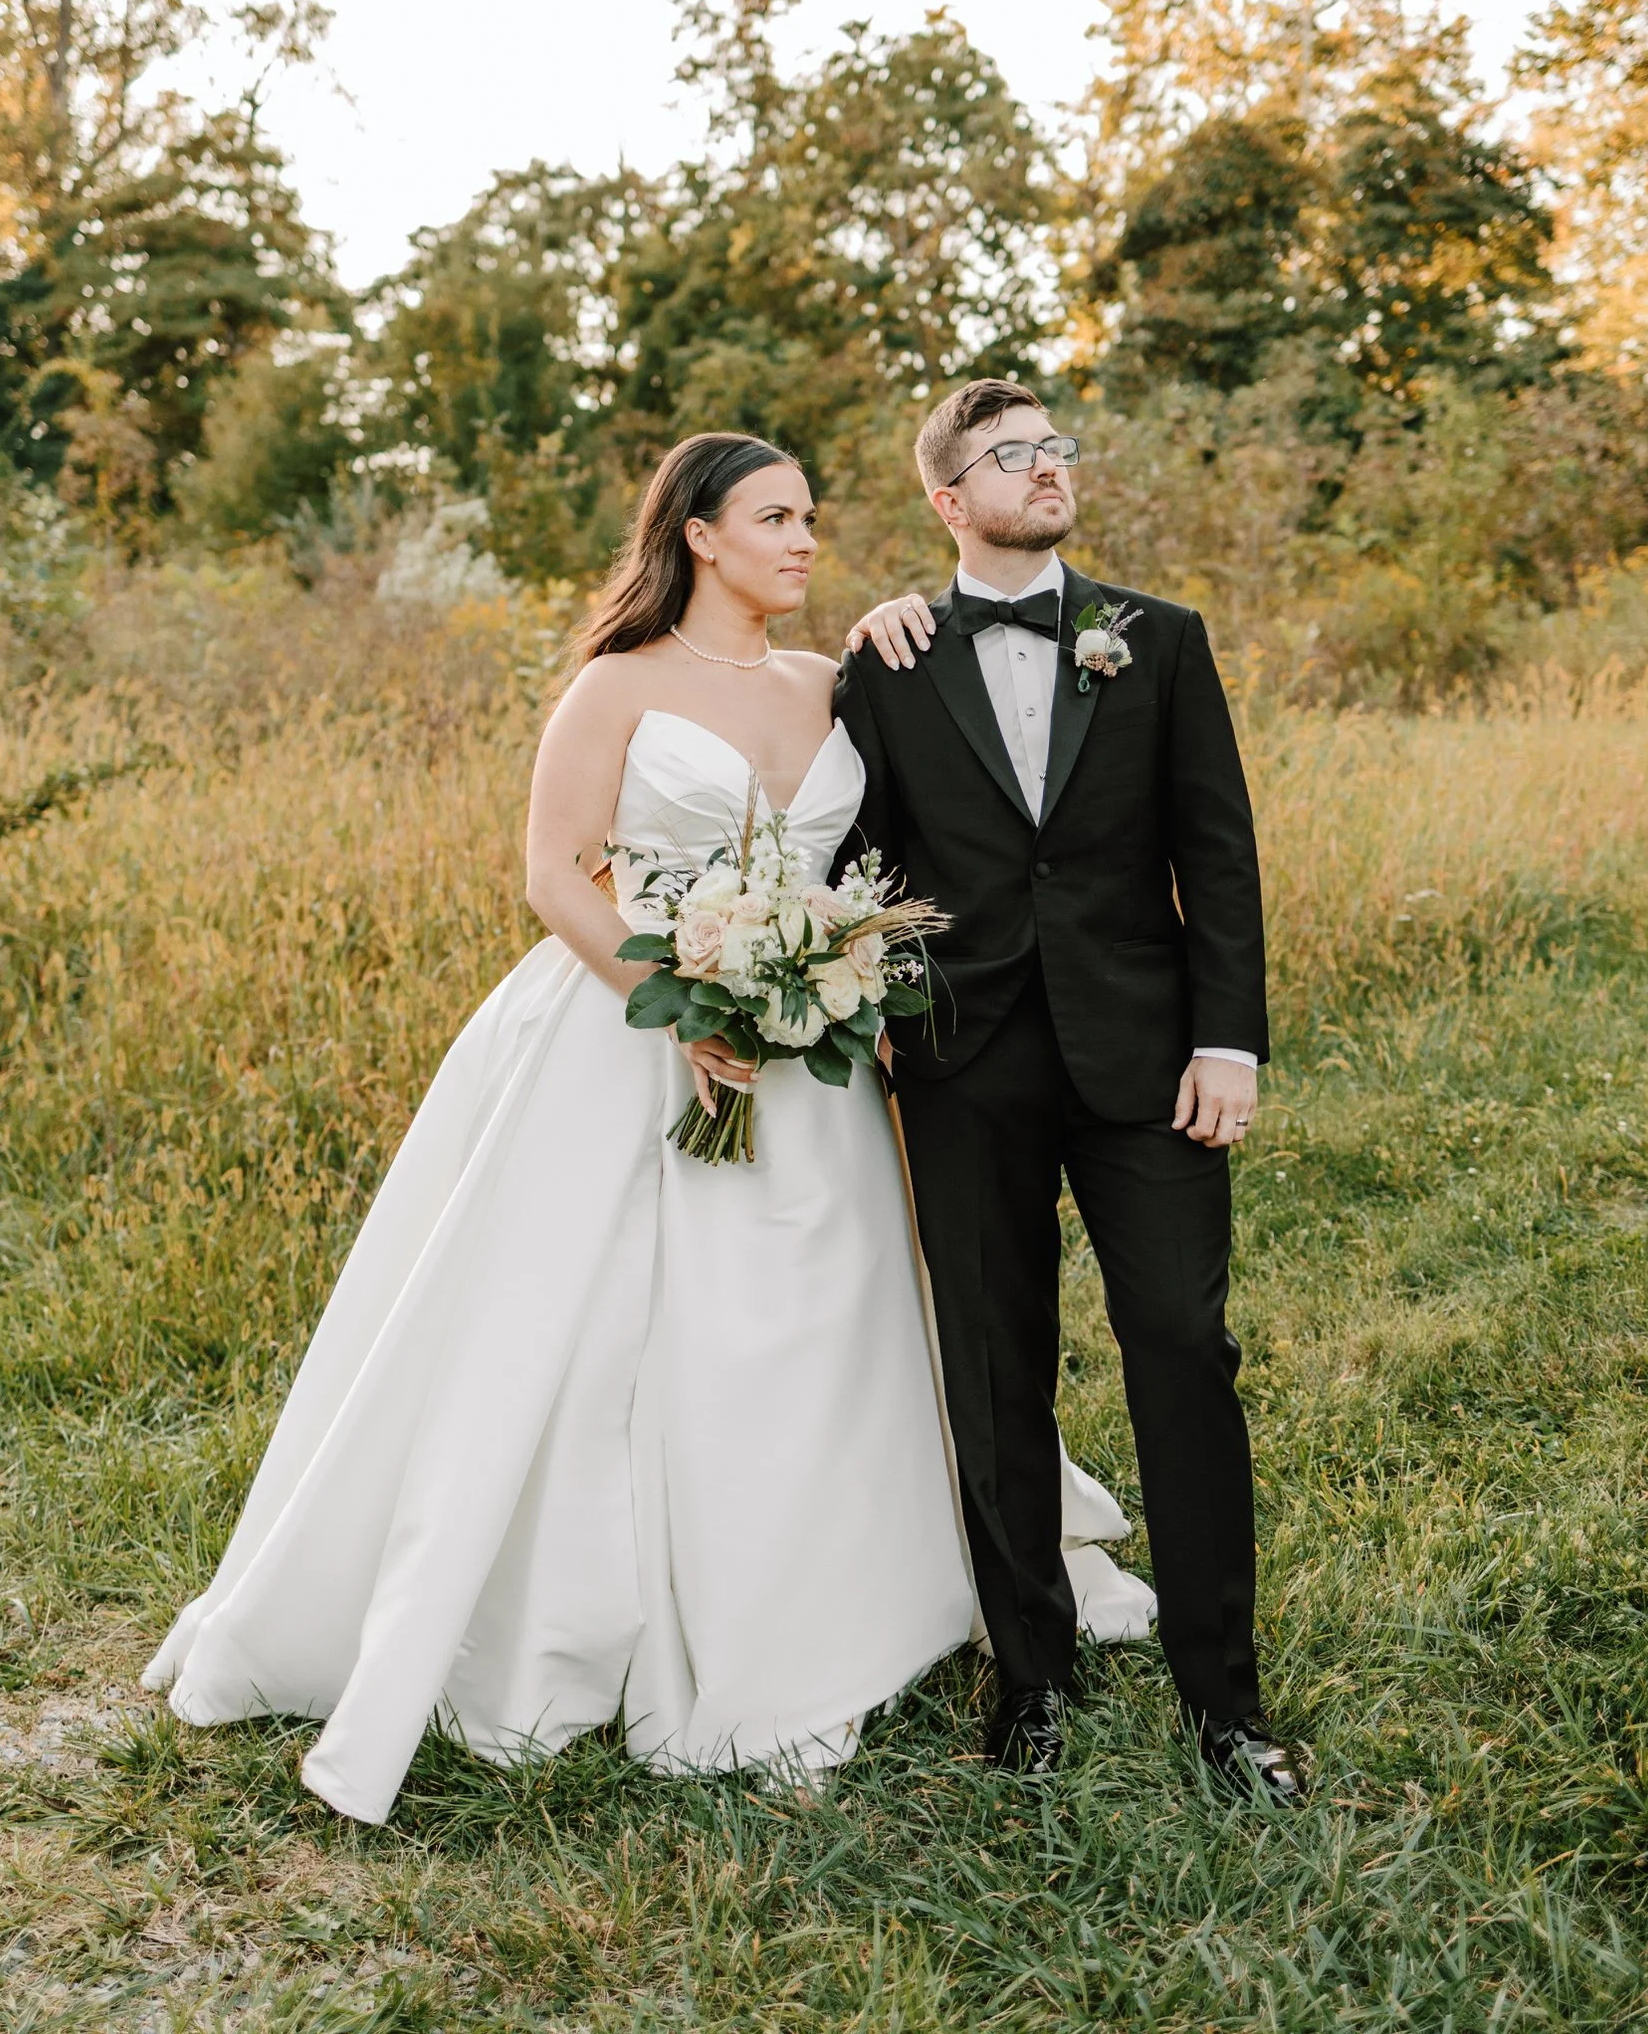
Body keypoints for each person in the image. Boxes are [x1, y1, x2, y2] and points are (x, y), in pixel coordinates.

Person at [144, 431, 1151, 1825]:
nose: (804, 541)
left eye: (812, 519)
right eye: (776, 519)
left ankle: (837, 1589)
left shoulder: (835, 679)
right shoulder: (612, 686)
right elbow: (554, 872)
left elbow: (884, 848)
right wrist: (685, 1009)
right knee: (590, 1325)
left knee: (831, 1310)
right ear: (699, 535)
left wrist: (810, 977)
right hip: (629, 1035)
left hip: (813, 1049)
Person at [838, 379, 1305, 1804]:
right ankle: (1028, 1685)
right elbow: (857, 864)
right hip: (965, 1061)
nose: (1048, 469)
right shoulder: (889, 662)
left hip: (1149, 1060)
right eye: (1013, 455)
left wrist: (1230, 1041)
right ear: (947, 498)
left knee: (1183, 1342)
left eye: (1058, 448)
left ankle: (1224, 1706)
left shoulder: (1159, 642)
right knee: (994, 1371)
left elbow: (1214, 854)